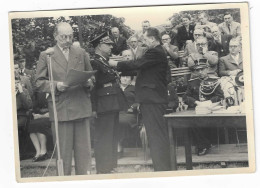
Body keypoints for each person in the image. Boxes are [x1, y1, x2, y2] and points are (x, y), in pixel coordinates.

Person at [109, 27, 171, 171]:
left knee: (156, 136)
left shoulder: (155, 51)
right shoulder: (156, 52)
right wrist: (119, 69)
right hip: (152, 99)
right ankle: (162, 168)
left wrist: (116, 64)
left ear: (153, 39)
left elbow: (137, 64)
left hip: (153, 100)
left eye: (145, 39)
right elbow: (139, 69)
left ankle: (163, 170)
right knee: (155, 135)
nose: (143, 42)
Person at [35, 22, 93, 175]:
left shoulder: (81, 52)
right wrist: (55, 85)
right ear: (55, 36)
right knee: (63, 155)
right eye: (63, 37)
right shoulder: (47, 55)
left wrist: (88, 82)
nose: (67, 40)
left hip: (81, 107)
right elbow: (38, 82)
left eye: (70, 36)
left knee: (84, 154)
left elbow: (91, 77)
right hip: (61, 109)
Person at [89, 32, 127, 174]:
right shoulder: (94, 62)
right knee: (104, 137)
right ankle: (103, 169)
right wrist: (93, 108)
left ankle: (111, 166)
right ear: (99, 46)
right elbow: (92, 88)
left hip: (112, 103)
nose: (112, 47)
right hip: (103, 105)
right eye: (108, 44)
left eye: (111, 44)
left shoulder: (105, 61)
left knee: (112, 136)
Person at [183, 60, 224, 155]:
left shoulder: (214, 81)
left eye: (202, 69)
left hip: (210, 108)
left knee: (205, 121)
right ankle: (203, 145)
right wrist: (196, 102)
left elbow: (220, 96)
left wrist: (209, 102)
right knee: (193, 122)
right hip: (196, 108)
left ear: (207, 69)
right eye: (197, 70)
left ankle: (204, 145)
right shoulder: (192, 83)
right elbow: (185, 97)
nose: (200, 72)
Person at [28, 92, 51, 162]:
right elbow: (36, 107)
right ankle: (37, 151)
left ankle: (43, 151)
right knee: (31, 124)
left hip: (52, 117)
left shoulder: (56, 93)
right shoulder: (40, 94)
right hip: (41, 116)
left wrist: (42, 115)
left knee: (40, 124)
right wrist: (36, 113)